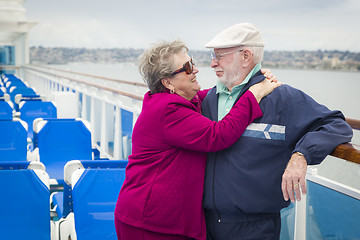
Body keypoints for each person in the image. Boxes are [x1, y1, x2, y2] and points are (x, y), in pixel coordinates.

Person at [114, 39, 281, 240]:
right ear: (167, 82)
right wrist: (255, 94)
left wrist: (252, 78)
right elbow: (219, 135)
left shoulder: (181, 100)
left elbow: (218, 94)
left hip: (157, 217)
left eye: (191, 63)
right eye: (186, 68)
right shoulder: (168, 111)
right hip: (149, 222)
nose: (195, 70)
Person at [201, 22, 353, 240]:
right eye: (212, 56)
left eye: (219, 55)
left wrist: (302, 155)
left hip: (254, 230)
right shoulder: (208, 99)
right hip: (204, 226)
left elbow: (336, 124)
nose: (213, 63)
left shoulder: (282, 99)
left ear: (246, 56)